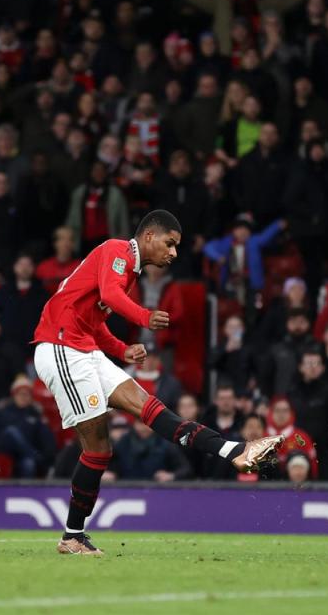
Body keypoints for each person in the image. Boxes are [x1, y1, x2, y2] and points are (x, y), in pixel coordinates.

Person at [32, 210, 283, 555]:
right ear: (149, 236)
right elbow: (110, 294)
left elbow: (93, 320)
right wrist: (144, 317)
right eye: (170, 244)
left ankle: (233, 450)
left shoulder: (127, 271)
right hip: (60, 346)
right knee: (98, 449)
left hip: (84, 348)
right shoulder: (116, 251)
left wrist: (121, 349)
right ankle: (72, 536)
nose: (174, 253)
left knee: (151, 408)